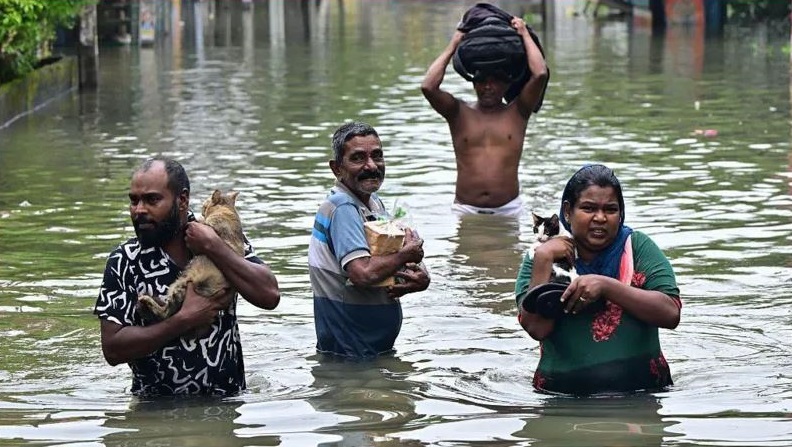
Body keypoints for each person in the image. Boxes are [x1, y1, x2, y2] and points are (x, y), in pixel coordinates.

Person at [94, 157, 280, 396]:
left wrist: (214, 248)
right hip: (155, 408)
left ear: (182, 200)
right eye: (134, 200)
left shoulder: (217, 236)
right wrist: (184, 319)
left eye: (152, 200)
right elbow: (112, 349)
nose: (139, 210)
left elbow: (270, 295)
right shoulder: (124, 260)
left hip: (226, 404)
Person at [515, 164, 681, 395]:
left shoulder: (636, 247)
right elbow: (536, 328)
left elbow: (671, 314)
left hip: (643, 395)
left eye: (611, 209)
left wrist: (606, 286)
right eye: (588, 208)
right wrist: (543, 259)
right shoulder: (541, 256)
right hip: (561, 399)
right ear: (567, 212)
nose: (600, 218)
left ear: (620, 213)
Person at [308, 121, 430, 359]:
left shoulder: (372, 202)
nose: (371, 165)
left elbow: (387, 261)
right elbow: (362, 273)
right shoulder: (342, 207)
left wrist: (419, 276)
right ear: (337, 168)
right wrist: (406, 255)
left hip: (370, 350)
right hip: (350, 353)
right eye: (358, 158)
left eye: (377, 155)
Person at [421, 15, 548, 217]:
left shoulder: (518, 112)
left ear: (507, 84)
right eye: (482, 81)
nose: (488, 87)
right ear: (473, 83)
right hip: (466, 209)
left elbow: (540, 73)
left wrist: (524, 33)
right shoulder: (458, 112)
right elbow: (428, 86)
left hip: (508, 210)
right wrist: (454, 43)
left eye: (495, 81)